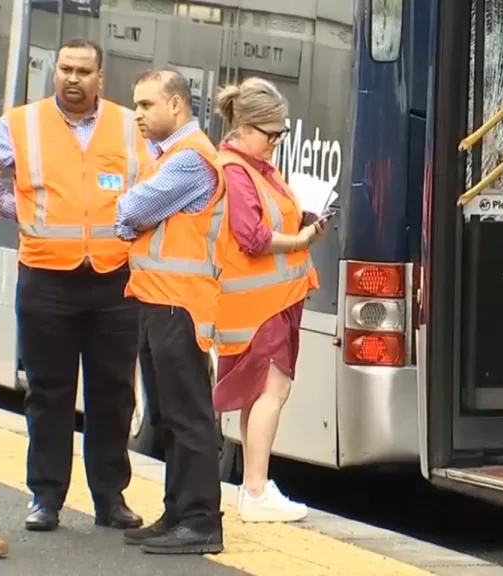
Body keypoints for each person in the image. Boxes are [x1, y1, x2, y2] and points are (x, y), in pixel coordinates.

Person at [0, 38, 150, 532]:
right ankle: (46, 498)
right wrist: (13, 205)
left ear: (101, 77)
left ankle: (110, 498)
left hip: (114, 280)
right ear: (55, 72)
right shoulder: (19, 124)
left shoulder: (129, 126)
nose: (73, 79)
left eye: (83, 71)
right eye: (65, 69)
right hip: (46, 277)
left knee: (114, 394)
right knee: (48, 392)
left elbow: (154, 182)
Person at [115, 67, 226, 554]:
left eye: (146, 105)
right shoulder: (170, 158)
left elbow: (132, 210)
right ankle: (178, 511)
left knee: (188, 414)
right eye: (136, 105)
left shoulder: (189, 159)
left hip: (179, 305)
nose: (138, 114)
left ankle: (201, 521)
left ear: (176, 106)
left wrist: (125, 212)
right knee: (165, 412)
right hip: (158, 300)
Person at [211, 77, 324, 523]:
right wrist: (300, 240)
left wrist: (305, 225)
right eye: (271, 133)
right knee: (273, 391)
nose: (277, 142)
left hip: (267, 301)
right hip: (261, 305)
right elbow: (252, 237)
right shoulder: (237, 171)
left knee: (257, 394)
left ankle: (252, 486)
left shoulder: (256, 169)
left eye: (282, 133)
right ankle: (256, 490)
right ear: (246, 126)